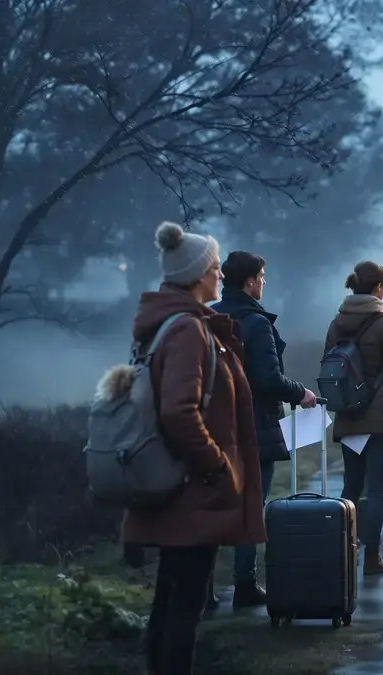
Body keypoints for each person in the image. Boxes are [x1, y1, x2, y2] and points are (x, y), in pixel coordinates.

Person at [119, 222, 266, 674]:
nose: (220, 276)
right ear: (196, 274)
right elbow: (180, 411)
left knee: (173, 597)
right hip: (191, 488)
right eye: (215, 268)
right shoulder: (186, 330)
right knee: (183, 607)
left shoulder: (172, 324)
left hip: (178, 484)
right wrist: (217, 465)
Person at [209, 250, 318, 608]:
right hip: (253, 425)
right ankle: (245, 582)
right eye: (262, 276)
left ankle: (204, 589)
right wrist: (300, 392)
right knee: (250, 506)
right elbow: (267, 378)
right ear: (250, 281)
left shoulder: (208, 317)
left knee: (211, 506)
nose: (265, 282)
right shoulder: (256, 323)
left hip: (212, 425)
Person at [326, 261, 383, 575]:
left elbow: (329, 367)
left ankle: (340, 552)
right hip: (382, 418)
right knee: (376, 488)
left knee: (351, 487)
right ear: (380, 287)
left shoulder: (337, 322)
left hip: (350, 416)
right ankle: (371, 558)